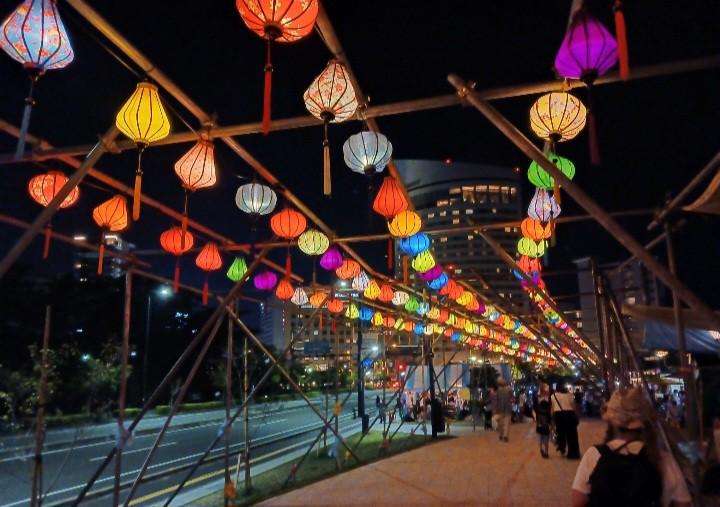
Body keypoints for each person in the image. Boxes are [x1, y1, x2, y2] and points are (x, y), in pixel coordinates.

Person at [571, 387, 691, 507]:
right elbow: (683, 503)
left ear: (612, 423)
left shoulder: (594, 455)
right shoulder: (663, 460)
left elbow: (577, 502)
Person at [553, 385, 580, 459]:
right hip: (569, 414)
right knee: (571, 435)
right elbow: (574, 406)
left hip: (558, 415)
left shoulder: (553, 396)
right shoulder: (570, 395)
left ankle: (562, 448)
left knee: (560, 433)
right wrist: (577, 415)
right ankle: (572, 453)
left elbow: (553, 407)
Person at [535, 383, 552, 459]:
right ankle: (546, 452)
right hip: (546, 419)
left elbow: (536, 408)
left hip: (540, 419)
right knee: (546, 437)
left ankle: (542, 449)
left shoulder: (538, 398)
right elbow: (550, 410)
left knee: (540, 436)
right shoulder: (549, 398)